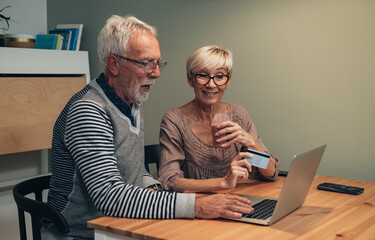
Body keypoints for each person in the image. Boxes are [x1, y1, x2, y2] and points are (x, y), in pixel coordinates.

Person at [43, 16, 253, 240]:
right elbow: (109, 196)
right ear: (115, 64)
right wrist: (196, 205)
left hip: (120, 223)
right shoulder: (89, 111)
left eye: (157, 63)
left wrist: (154, 188)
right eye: (147, 63)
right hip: (81, 232)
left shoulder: (133, 101)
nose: (156, 73)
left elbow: (134, 169)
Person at [158, 45, 280, 193]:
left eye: (220, 76)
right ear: (190, 79)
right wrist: (222, 183)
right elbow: (169, 180)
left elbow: (270, 174)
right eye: (202, 76)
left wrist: (252, 144)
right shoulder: (174, 120)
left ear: (228, 81)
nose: (211, 84)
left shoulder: (239, 115)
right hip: (198, 207)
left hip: (238, 200)